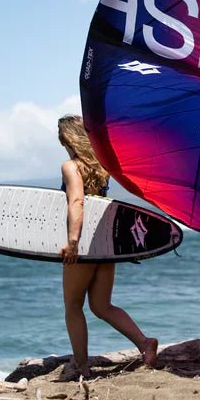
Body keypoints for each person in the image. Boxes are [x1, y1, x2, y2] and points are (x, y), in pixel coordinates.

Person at [56, 114, 158, 379]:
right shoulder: (101, 168)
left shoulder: (72, 167)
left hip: (86, 245)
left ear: (68, 140)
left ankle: (81, 365)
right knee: (101, 305)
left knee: (73, 307)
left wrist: (73, 242)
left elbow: (77, 202)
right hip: (106, 245)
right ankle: (145, 344)